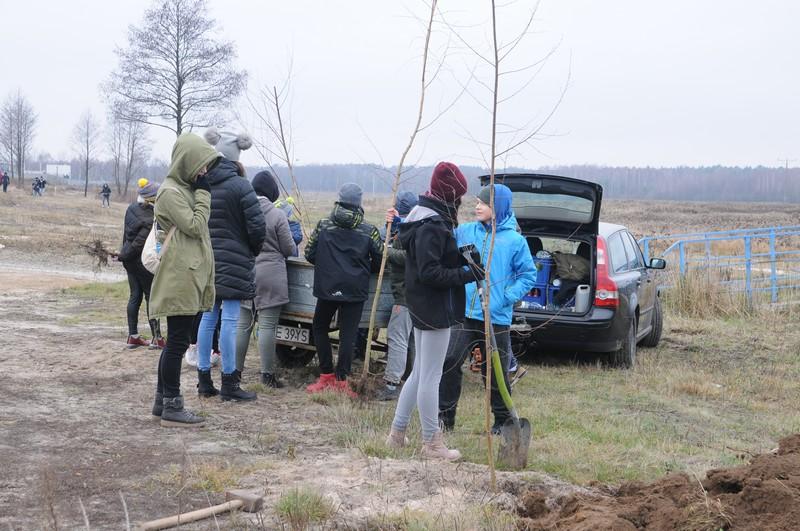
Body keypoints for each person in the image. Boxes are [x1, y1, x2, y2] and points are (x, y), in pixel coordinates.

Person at [386, 162, 479, 460]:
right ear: (451, 195)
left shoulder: (420, 216)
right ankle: (432, 444)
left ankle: (397, 434)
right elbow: (430, 272)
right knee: (430, 377)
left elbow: (432, 262)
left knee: (419, 373)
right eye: (459, 195)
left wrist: (462, 260)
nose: (461, 201)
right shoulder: (433, 225)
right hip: (434, 308)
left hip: (421, 304)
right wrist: (468, 273)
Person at [438, 184, 536, 434]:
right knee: (450, 361)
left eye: (484, 203)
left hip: (496, 317)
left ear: (498, 207)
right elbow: (440, 241)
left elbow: (528, 275)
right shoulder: (465, 231)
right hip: (464, 313)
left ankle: (503, 422)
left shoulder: (515, 241)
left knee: (494, 370)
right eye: (477, 202)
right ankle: (444, 419)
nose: (477, 206)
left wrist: (504, 297)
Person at [149, 133, 219, 428]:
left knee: (174, 343)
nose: (204, 171)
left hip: (186, 275)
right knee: (177, 343)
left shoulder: (182, 190)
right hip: (179, 277)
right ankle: (172, 407)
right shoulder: (170, 192)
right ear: (187, 161)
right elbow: (195, 225)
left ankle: (162, 403)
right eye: (200, 165)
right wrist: (204, 195)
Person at [194, 128, 265, 402]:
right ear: (237, 156)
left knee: (208, 318)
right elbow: (257, 227)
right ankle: (229, 382)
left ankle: (203, 380)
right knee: (230, 321)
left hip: (206, 260)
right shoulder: (241, 186)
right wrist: (251, 250)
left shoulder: (202, 183)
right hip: (235, 261)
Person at [304, 183, 382, 396]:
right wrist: (362, 269)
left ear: (339, 199)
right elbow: (379, 262)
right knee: (349, 333)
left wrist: (328, 266)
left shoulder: (324, 225)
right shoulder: (369, 231)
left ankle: (326, 376)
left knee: (319, 327)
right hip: (355, 288)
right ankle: (341, 381)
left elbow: (309, 253)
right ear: (359, 203)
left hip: (327, 287)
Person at [235, 170, 297, 388]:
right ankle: (267, 376)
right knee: (268, 326)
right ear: (272, 192)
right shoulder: (278, 215)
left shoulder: (241, 212)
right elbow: (289, 248)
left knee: (243, 325)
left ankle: (235, 372)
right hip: (271, 275)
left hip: (245, 272)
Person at [375, 191, 418, 401]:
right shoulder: (412, 227)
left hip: (406, 295)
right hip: (414, 295)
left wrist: (386, 251)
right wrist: (390, 225)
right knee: (412, 341)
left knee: (397, 338)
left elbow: (411, 257)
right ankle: (412, 382)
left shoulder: (413, 231)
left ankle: (392, 385)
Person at [117, 178, 164, 350]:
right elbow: (139, 244)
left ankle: (133, 336)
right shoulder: (152, 217)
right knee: (151, 297)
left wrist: (123, 255)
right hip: (143, 262)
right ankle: (157, 338)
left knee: (134, 296)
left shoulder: (130, 209)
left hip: (129, 261)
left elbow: (126, 236)